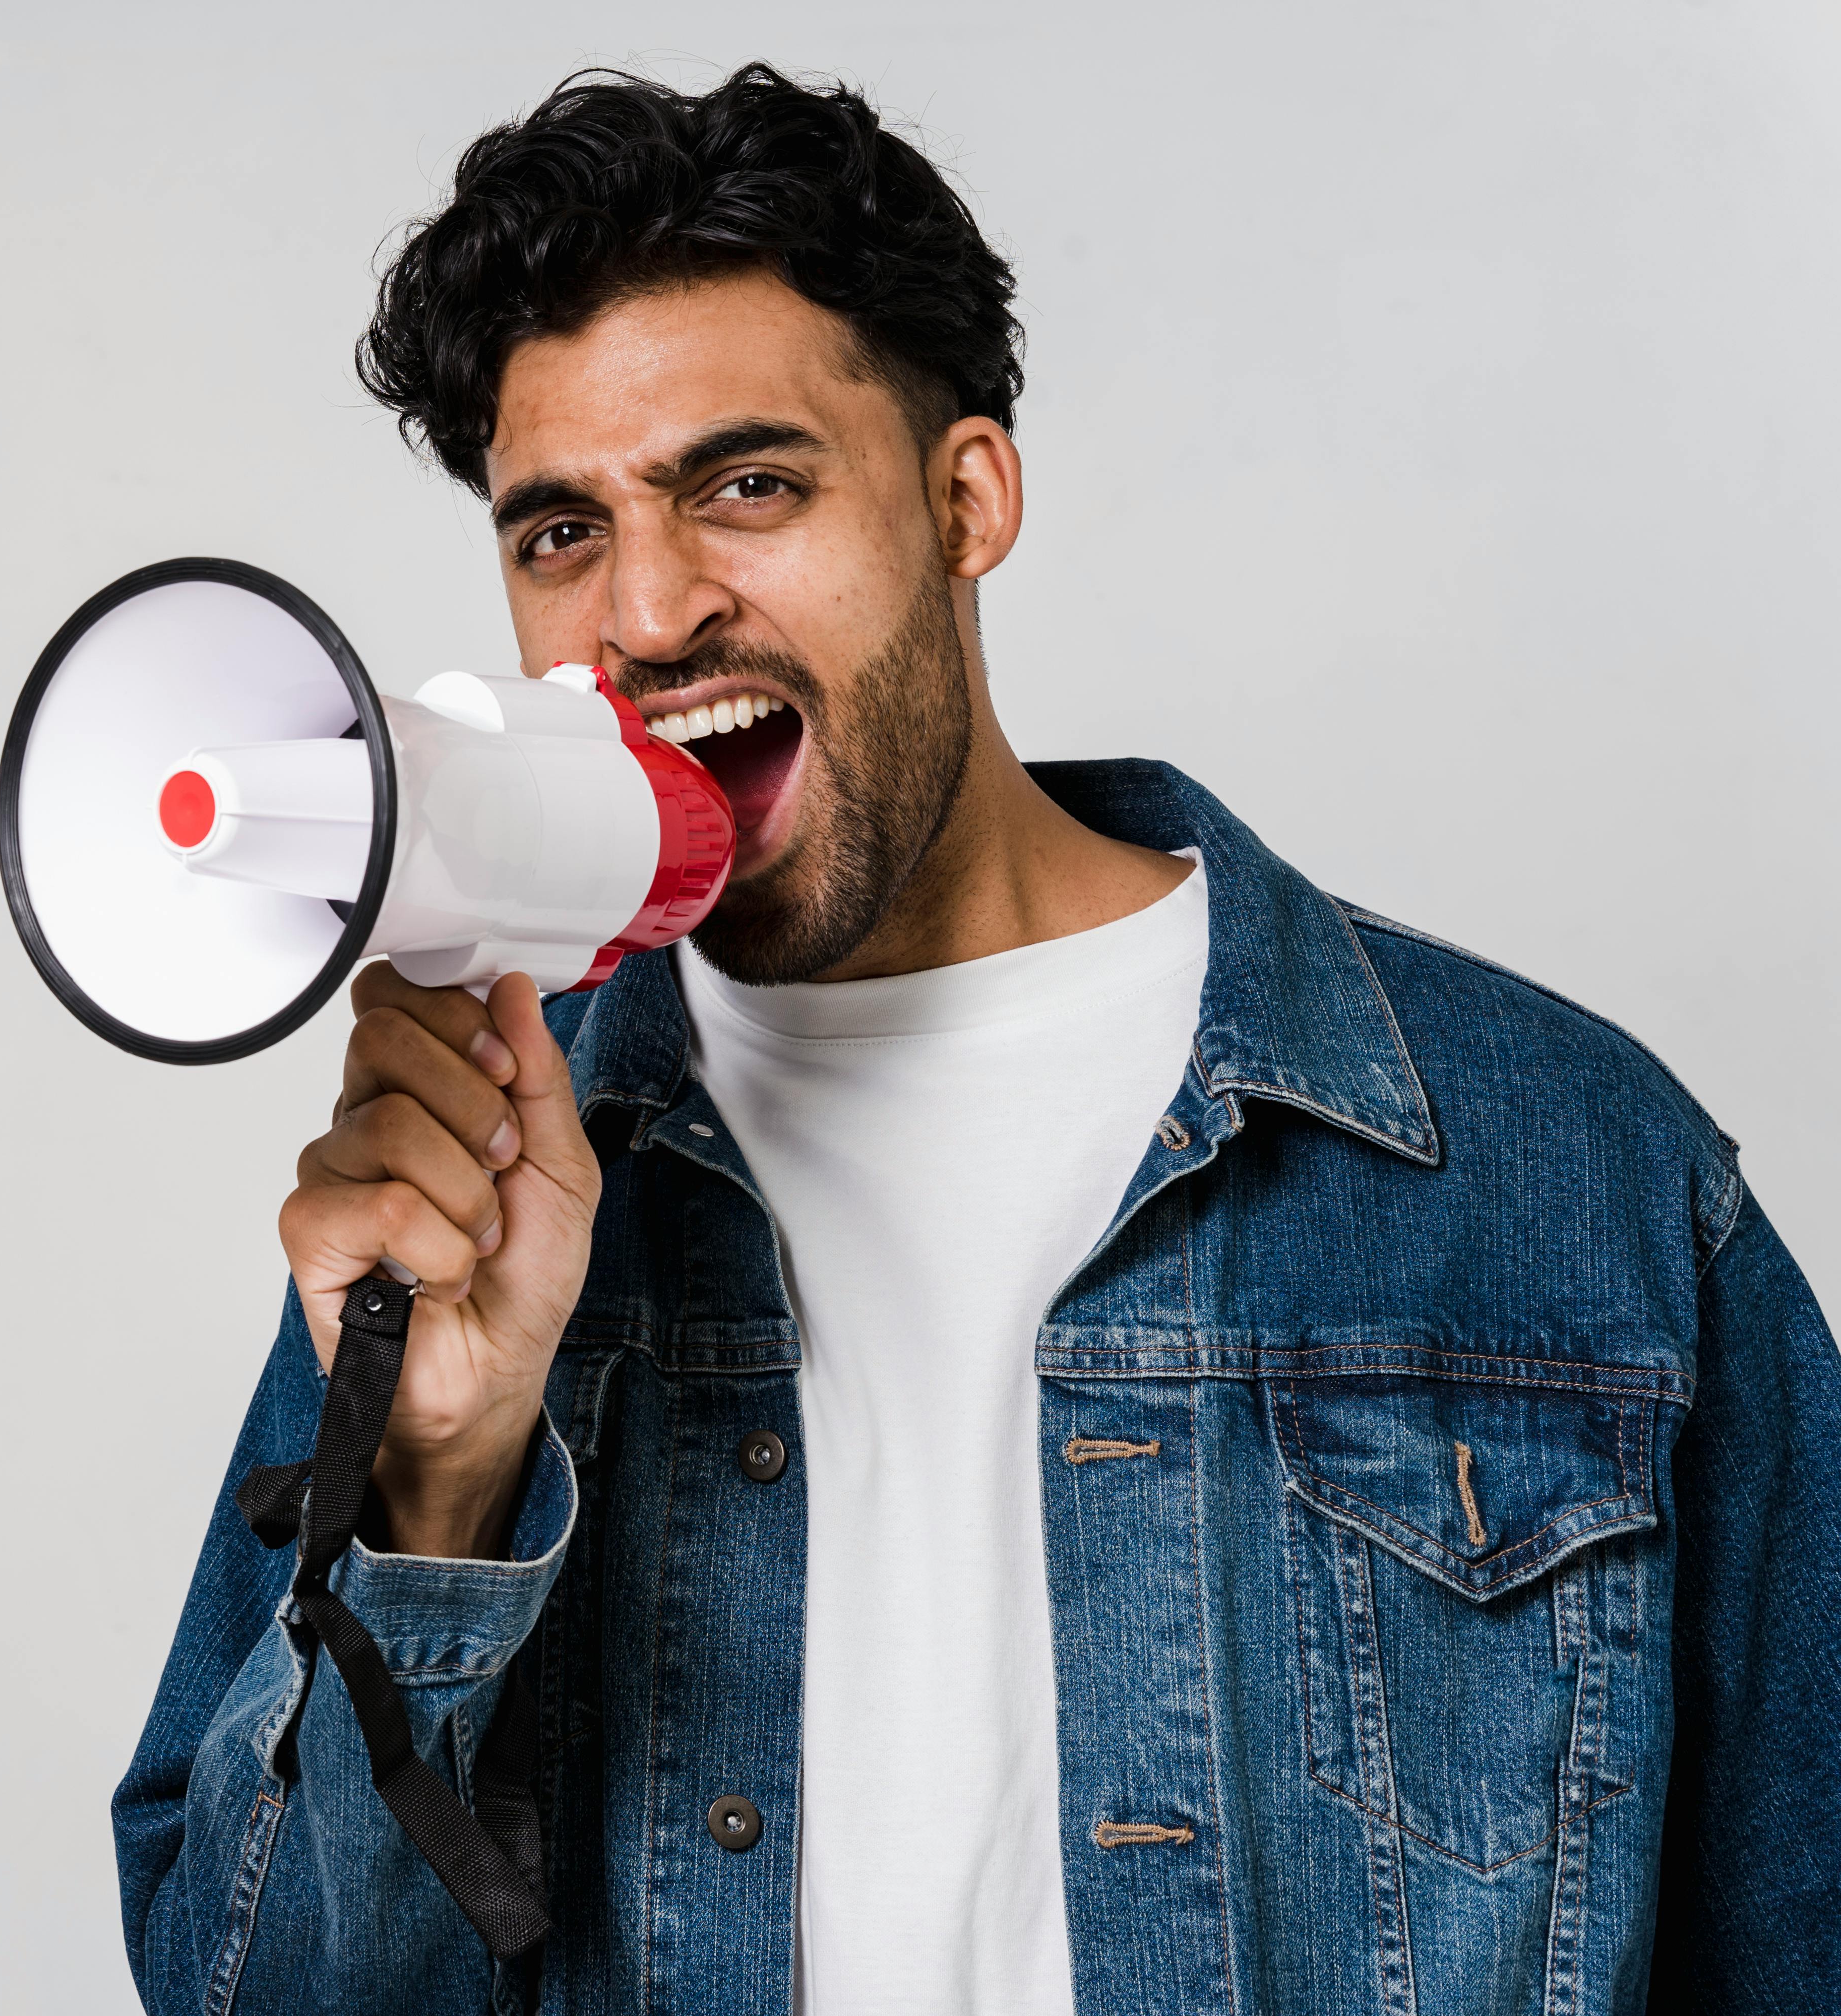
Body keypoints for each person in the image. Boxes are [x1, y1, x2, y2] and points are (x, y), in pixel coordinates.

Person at [111, 64, 1835, 2015]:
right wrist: (444, 1468)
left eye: (746, 485)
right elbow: (257, 1991)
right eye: (560, 531)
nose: (649, 607)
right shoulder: (482, 1183)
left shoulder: (1562, 1162)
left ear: (967, 498)